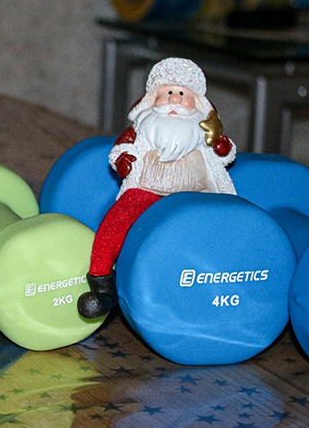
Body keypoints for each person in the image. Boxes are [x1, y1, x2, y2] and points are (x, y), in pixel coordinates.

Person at [77, 57, 238, 319]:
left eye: (183, 94)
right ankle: (102, 283)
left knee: (212, 229)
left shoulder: (202, 131)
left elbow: (225, 154)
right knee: (116, 221)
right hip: (147, 191)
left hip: (197, 197)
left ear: (197, 102)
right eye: (168, 93)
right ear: (152, 99)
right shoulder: (143, 128)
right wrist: (124, 160)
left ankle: (217, 278)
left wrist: (221, 146)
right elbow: (121, 149)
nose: (175, 99)